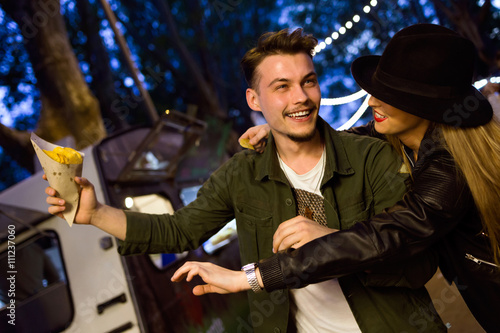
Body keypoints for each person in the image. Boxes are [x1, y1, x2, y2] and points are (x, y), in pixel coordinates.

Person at [45, 28, 445, 332]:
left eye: (308, 81)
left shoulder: (370, 156)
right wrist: (95, 213)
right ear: (255, 101)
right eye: (281, 87)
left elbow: (418, 262)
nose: (300, 98)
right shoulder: (243, 173)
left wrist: (332, 238)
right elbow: (178, 230)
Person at [171, 24, 500, 332]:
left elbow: (386, 236)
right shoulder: (407, 137)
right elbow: (348, 138)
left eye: (392, 94)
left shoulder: (449, 166)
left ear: (427, 106)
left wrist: (253, 277)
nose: (372, 100)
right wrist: (281, 130)